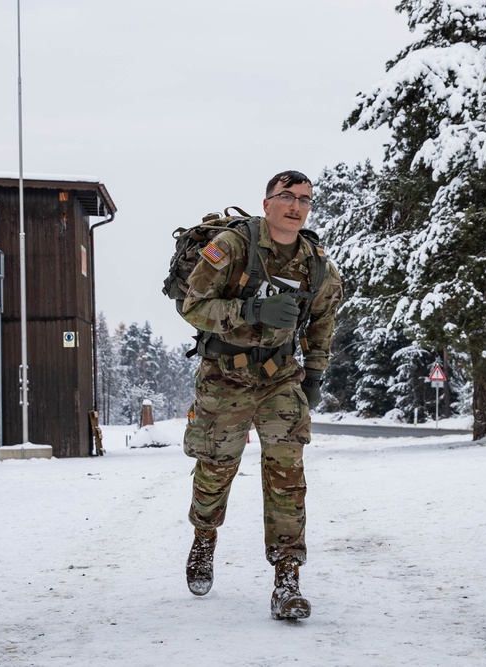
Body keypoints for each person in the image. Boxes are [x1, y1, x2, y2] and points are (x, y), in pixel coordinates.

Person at [179, 170, 343, 620]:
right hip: (224, 375)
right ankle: (204, 539)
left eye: (305, 199)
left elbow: (324, 318)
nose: (296, 205)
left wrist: (313, 375)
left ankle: (287, 579)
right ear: (267, 202)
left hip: (279, 377)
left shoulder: (317, 263)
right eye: (287, 196)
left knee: (288, 475)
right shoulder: (232, 246)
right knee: (215, 469)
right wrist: (249, 308)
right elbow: (192, 305)